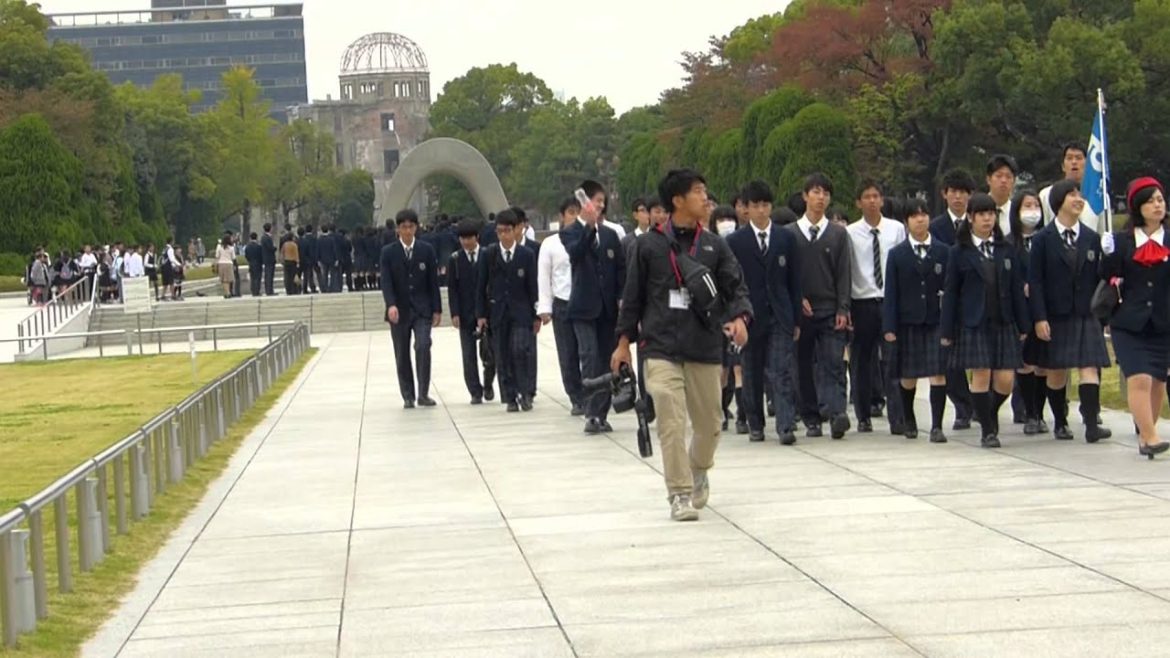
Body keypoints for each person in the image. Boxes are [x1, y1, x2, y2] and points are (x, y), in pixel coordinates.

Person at [611, 168, 751, 522]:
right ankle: (679, 493)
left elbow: (736, 289)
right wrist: (623, 342)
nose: (706, 198)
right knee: (671, 420)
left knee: (710, 423)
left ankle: (699, 468)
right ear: (677, 200)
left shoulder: (714, 245)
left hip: (703, 345)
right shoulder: (648, 246)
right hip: (660, 347)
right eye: (699, 192)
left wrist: (740, 319)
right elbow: (633, 298)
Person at [940, 193, 1031, 448]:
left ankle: (986, 413)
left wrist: (1023, 324)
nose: (987, 219)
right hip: (973, 322)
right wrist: (947, 329)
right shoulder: (959, 252)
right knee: (981, 374)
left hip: (1003, 321)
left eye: (991, 214)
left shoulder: (1006, 250)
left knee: (1005, 380)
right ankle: (988, 431)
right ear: (970, 218)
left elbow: (1015, 290)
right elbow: (951, 293)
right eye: (982, 214)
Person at [1029, 179, 1112, 443]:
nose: (1078, 199)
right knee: (1056, 371)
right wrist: (1039, 317)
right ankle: (1060, 422)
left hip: (1086, 313)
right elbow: (1036, 281)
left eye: (1080, 194)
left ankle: (1090, 424)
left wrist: (1110, 254)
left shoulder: (1090, 237)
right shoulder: (1042, 239)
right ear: (1058, 202)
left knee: (1089, 367)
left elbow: (1102, 276)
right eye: (1072, 194)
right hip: (1056, 313)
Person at [726, 180, 801, 444]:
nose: (761, 210)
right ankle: (755, 421)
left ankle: (785, 424)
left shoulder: (786, 238)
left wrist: (796, 319)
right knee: (752, 370)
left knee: (781, 370)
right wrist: (734, 317)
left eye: (765, 205)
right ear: (745, 209)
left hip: (780, 314)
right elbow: (731, 283)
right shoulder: (735, 241)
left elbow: (795, 281)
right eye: (755, 205)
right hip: (750, 315)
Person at [1100, 177, 1170, 458]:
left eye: (1160, 200)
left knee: (1157, 380)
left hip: (1163, 323)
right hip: (1129, 322)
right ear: (1137, 207)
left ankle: (1146, 433)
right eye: (1151, 200)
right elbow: (1107, 278)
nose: (1157, 205)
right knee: (1139, 378)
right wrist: (1107, 256)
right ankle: (1150, 437)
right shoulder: (1121, 241)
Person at [787, 173, 852, 439]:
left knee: (833, 362)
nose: (820, 197)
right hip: (802, 311)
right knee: (802, 365)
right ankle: (811, 416)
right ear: (805, 196)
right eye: (815, 192)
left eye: (825, 193)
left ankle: (837, 412)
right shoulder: (790, 234)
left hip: (829, 308)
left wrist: (843, 308)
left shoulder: (837, 234)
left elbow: (844, 273)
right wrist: (796, 298)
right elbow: (787, 274)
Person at [561, 179, 626, 434]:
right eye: (596, 201)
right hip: (583, 308)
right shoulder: (570, 232)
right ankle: (590, 412)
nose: (600, 205)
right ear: (584, 203)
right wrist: (588, 227)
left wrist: (621, 296)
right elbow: (576, 254)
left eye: (602, 202)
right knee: (588, 357)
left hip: (608, 310)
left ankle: (602, 412)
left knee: (606, 361)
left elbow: (620, 269)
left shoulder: (611, 235)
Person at [883, 198, 950, 443]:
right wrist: (889, 326)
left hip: (936, 321)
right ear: (906, 222)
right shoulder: (897, 254)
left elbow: (950, 289)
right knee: (908, 375)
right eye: (914, 216)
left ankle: (936, 425)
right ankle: (909, 418)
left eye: (924, 214)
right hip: (907, 321)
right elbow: (891, 293)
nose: (920, 219)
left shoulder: (943, 251)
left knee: (938, 373)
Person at [847, 180, 907, 434]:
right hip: (862, 303)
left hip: (890, 301)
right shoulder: (849, 233)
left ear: (882, 200)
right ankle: (863, 415)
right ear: (858, 203)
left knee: (893, 360)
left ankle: (898, 417)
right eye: (867, 197)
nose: (872, 200)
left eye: (876, 196)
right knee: (862, 361)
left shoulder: (896, 230)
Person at [476, 210, 540, 412]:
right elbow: (481, 286)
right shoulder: (489, 254)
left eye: (508, 231)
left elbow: (533, 287)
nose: (504, 235)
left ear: (516, 231)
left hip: (522, 313)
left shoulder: (526, 255)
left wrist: (536, 314)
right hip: (498, 313)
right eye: (500, 231)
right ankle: (510, 396)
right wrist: (481, 315)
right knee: (502, 356)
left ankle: (525, 392)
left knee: (520, 351)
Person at [929, 168, 978, 429]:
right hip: (946, 298)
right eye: (954, 192)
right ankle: (962, 406)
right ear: (945, 194)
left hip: (974, 298)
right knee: (950, 357)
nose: (958, 198)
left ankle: (981, 402)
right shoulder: (935, 227)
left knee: (980, 355)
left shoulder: (979, 224)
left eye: (963, 193)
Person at [381, 210, 442, 409]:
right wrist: (391, 304)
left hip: (422, 309)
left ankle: (423, 392)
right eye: (403, 227)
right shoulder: (388, 252)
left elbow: (433, 282)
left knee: (423, 346)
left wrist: (437, 309)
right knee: (402, 353)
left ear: (416, 228)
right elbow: (386, 282)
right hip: (399, 310)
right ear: (398, 229)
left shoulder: (426, 250)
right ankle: (408, 394)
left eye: (411, 226)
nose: (407, 231)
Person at [1006, 190, 1052, 433]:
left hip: (1044, 307)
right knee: (1025, 363)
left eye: (1036, 205)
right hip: (1020, 309)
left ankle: (1040, 411)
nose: (1033, 210)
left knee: (1043, 363)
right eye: (1027, 205)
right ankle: (1029, 412)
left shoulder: (1046, 238)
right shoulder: (1008, 242)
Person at [538, 198, 584, 415]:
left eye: (579, 212)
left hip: (586, 303)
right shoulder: (551, 244)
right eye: (571, 212)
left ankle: (593, 392)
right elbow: (544, 276)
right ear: (562, 216)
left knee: (588, 352)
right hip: (563, 303)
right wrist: (545, 308)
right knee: (567, 353)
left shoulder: (590, 238)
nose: (575, 217)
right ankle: (575, 396)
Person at [449, 219, 495, 404]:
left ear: (477, 237)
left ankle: (488, 383)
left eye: (469, 238)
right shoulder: (455, 260)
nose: (466, 242)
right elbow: (452, 288)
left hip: (487, 312)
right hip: (465, 313)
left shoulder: (488, 255)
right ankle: (475, 391)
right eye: (462, 238)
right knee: (468, 355)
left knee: (491, 354)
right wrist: (454, 313)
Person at [1040, 142, 1103, 231]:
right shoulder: (1046, 194)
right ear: (1063, 166)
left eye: (1078, 158)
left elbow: (1102, 232)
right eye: (1069, 158)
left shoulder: (1099, 195)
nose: (1074, 162)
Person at [987, 154, 1019, 235]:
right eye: (999, 176)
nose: (1004, 180)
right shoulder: (974, 209)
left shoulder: (1017, 213)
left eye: (1008, 177)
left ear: (1014, 182)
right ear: (988, 179)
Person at [319, 224, 339, 293]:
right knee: (332, 274)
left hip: (323, 259)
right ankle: (332, 287)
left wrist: (318, 259)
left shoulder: (320, 239)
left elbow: (318, 250)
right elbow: (334, 250)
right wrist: (336, 259)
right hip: (331, 259)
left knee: (325, 274)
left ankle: (325, 288)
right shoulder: (331, 239)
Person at [299, 224, 318, 294]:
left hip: (299, 260)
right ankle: (310, 288)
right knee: (308, 275)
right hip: (308, 260)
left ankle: (299, 288)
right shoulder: (313, 239)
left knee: (299, 275)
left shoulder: (297, 241)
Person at [261, 223, 277, 296]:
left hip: (268, 259)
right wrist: (275, 248)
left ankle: (270, 290)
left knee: (270, 275)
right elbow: (270, 248)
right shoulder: (266, 238)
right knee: (269, 275)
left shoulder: (265, 237)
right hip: (269, 259)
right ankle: (269, 290)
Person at [245, 233, 263, 297]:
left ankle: (253, 291)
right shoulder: (259, 246)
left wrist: (250, 260)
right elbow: (261, 255)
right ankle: (257, 291)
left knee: (252, 278)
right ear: (256, 237)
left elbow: (246, 256)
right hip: (258, 263)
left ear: (250, 238)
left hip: (251, 263)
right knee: (257, 278)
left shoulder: (248, 246)